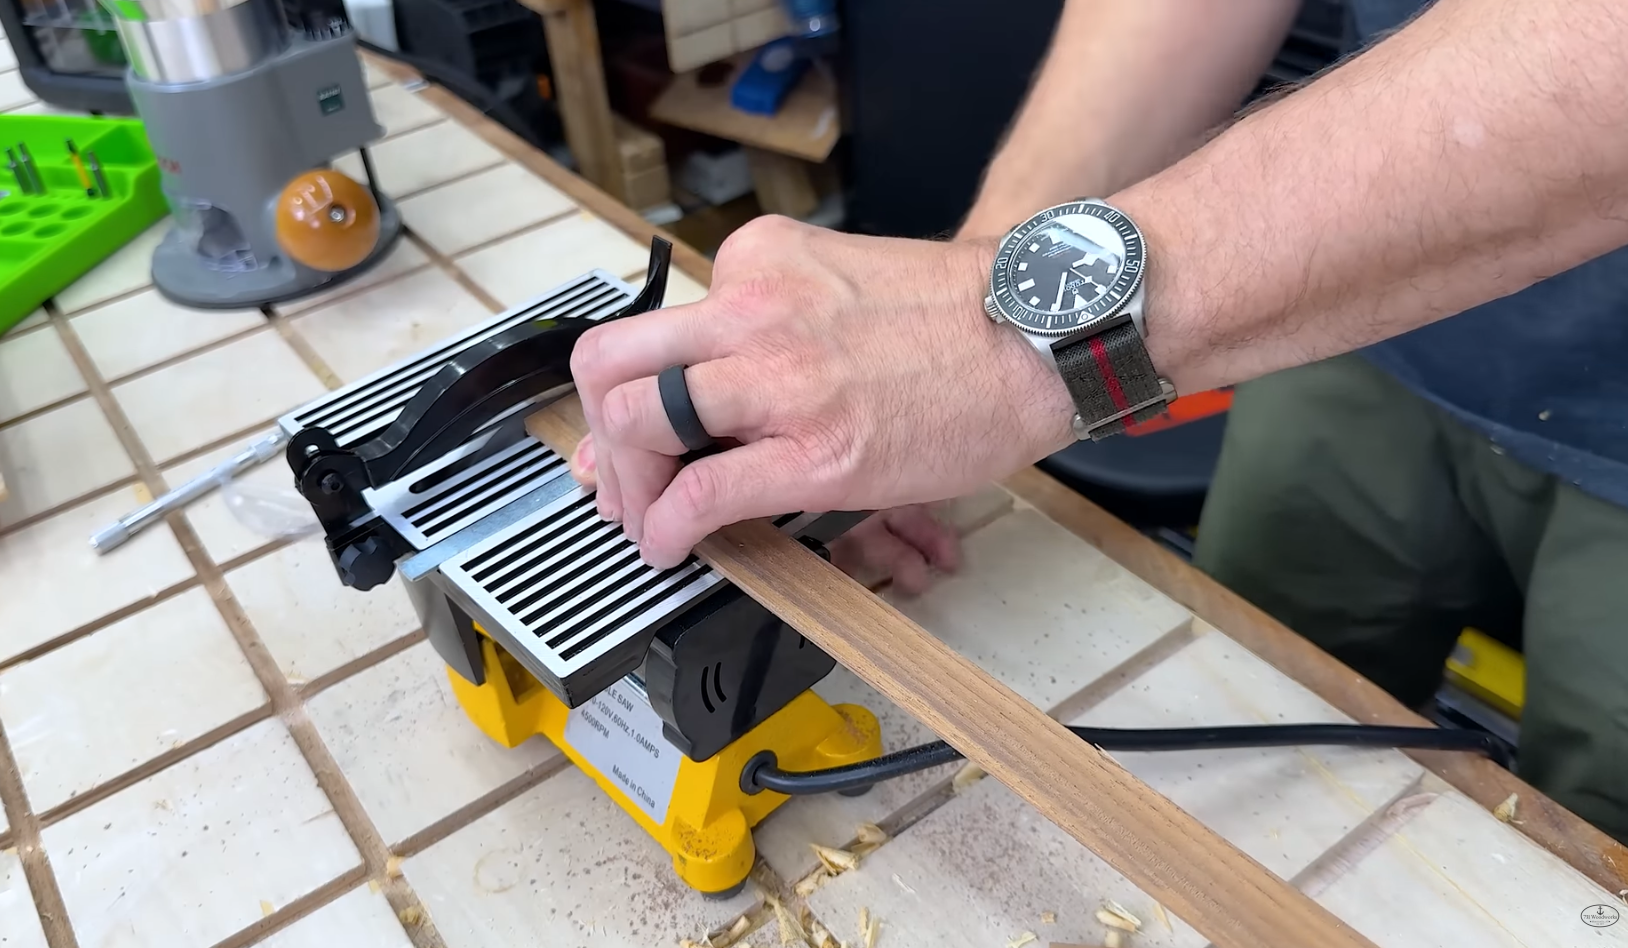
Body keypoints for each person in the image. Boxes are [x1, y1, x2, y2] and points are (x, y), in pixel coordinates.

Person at [566, 0, 1628, 842]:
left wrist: (1000, 354)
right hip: (1353, 305)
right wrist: (978, 292)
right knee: (1250, 744)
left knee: (1576, 853)